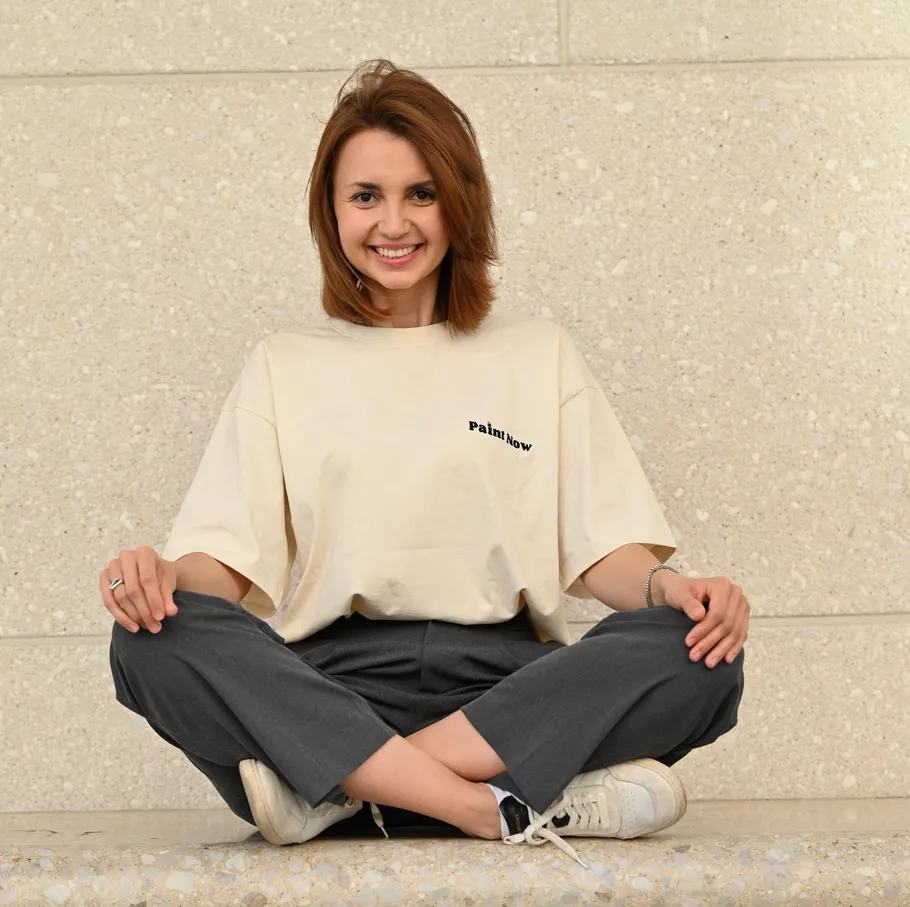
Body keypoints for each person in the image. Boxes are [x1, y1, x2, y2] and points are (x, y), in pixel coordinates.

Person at [103, 59, 748, 869]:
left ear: (459, 203)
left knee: (701, 651)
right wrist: (153, 578)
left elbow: (603, 548)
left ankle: (345, 790)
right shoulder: (284, 364)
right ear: (330, 211)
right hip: (331, 689)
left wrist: (671, 590)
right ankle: (489, 805)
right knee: (149, 642)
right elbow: (221, 567)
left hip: (505, 690)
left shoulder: (535, 353)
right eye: (365, 196)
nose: (393, 222)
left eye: (421, 193)